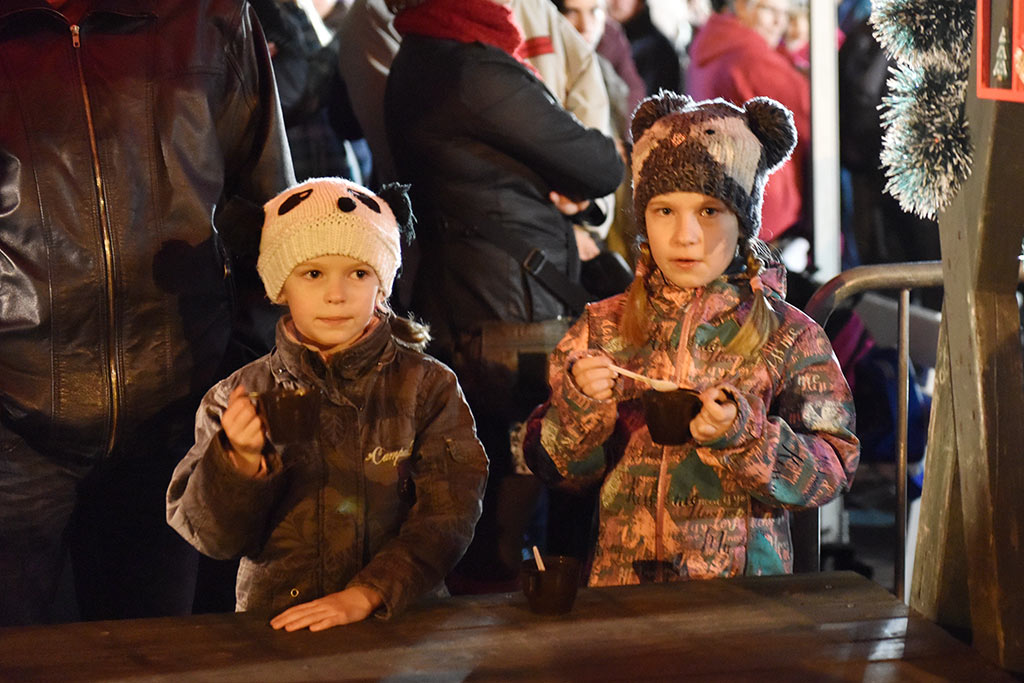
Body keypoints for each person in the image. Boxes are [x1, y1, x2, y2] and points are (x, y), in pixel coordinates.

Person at [0, 0, 293, 626]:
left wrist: (252, 369)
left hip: (174, 416)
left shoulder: (209, 15)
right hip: (12, 428)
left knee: (151, 652)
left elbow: (273, 210)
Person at [522, 92, 860, 585]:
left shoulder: (789, 335)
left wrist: (745, 436)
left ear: (742, 220)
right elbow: (555, 471)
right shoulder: (601, 329)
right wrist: (580, 409)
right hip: (622, 598)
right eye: (663, 211)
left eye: (708, 211)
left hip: (743, 602)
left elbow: (833, 466)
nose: (685, 236)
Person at [167, 178, 489, 629]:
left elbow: (448, 511)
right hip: (279, 628)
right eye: (313, 273)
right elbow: (212, 538)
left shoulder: (426, 387)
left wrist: (371, 591)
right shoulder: (241, 395)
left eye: (358, 273)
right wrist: (237, 463)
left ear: (383, 282)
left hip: (399, 623)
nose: (336, 294)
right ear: (279, 285)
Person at [385, 0, 624, 590]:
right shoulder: (476, 71)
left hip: (469, 297)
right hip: (514, 312)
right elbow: (598, 164)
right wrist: (566, 176)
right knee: (525, 496)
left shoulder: (418, 54)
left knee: (496, 493)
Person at [686, 0, 810, 244]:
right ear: (742, 6)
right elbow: (809, 116)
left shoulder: (713, 44)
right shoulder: (752, 58)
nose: (779, 23)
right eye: (769, 11)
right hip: (764, 208)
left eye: (784, 14)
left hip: (725, 200)